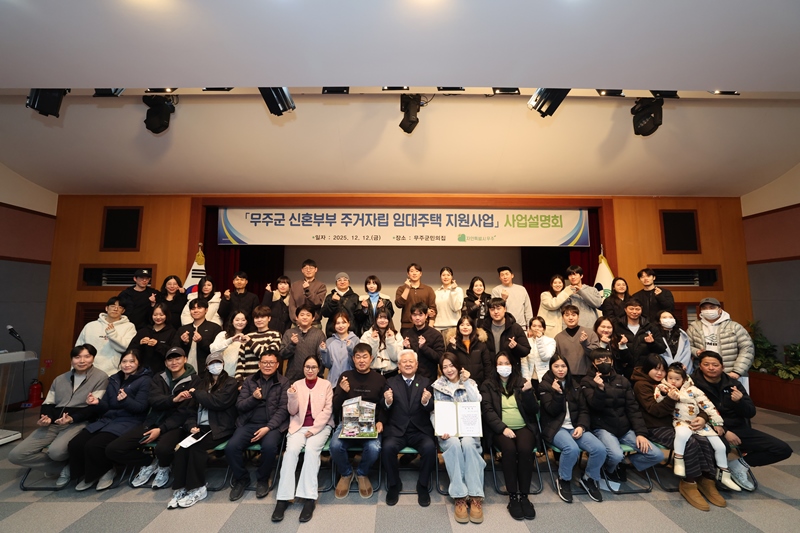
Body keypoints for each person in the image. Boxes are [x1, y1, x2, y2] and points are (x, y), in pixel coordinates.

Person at [631, 354, 722, 511]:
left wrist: (702, 417)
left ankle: (706, 479)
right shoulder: (642, 385)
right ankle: (689, 482)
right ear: (647, 369)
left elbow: (697, 403)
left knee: (704, 441)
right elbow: (654, 410)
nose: (659, 373)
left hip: (680, 425)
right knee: (690, 443)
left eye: (662, 370)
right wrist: (671, 398)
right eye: (655, 369)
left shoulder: (673, 382)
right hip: (655, 427)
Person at [8, 345, 109, 487]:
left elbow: (94, 407)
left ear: (93, 358)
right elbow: (48, 402)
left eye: (87, 357)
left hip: (79, 422)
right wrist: (46, 417)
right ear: (71, 359)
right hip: (54, 423)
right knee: (16, 455)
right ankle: (65, 468)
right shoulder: (60, 379)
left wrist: (72, 418)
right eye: (77, 357)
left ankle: (70, 467)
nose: (82, 361)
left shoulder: (101, 377)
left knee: (56, 452)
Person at [692, 351, 792, 491]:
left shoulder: (733, 384)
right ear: (700, 366)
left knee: (782, 449)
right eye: (706, 364)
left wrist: (739, 402)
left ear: (722, 366)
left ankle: (738, 466)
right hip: (708, 430)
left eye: (715, 365)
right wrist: (725, 431)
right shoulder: (692, 384)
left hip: (738, 429)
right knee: (722, 448)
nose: (711, 368)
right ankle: (715, 474)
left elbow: (750, 412)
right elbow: (691, 414)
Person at [106, 347, 198, 490]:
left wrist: (160, 430)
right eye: (170, 359)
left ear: (185, 359)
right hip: (153, 421)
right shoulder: (159, 377)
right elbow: (154, 401)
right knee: (114, 448)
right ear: (165, 362)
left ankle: (164, 466)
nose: (174, 362)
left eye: (177, 358)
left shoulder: (195, 380)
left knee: (163, 449)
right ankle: (149, 463)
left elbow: (185, 412)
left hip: (176, 425)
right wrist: (173, 400)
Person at [68, 348, 151, 491]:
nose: (127, 364)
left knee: (94, 445)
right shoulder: (114, 379)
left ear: (139, 363)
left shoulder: (145, 380)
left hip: (129, 421)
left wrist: (125, 400)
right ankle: (86, 475)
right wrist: (97, 402)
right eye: (124, 361)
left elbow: (141, 408)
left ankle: (106, 471)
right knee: (76, 443)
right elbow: (107, 405)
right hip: (108, 419)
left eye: (132, 361)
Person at [580, 349, 664, 483]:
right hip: (602, 428)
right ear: (594, 364)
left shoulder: (623, 380)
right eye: (599, 361)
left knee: (656, 455)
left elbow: (633, 409)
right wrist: (599, 389)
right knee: (616, 455)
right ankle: (608, 469)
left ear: (612, 361)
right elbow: (594, 406)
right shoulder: (587, 381)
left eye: (607, 360)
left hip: (624, 429)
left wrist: (640, 433)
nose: (604, 363)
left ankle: (623, 463)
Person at [167, 352, 238, 509]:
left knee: (196, 449)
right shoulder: (201, 384)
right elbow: (190, 410)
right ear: (206, 366)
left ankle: (197, 488)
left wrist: (196, 393)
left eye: (218, 362)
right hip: (200, 427)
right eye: (212, 363)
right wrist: (191, 425)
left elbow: (218, 402)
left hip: (220, 427)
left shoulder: (231, 383)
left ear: (223, 364)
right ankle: (180, 488)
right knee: (181, 449)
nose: (215, 366)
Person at [654, 363, 740, 491]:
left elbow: (707, 405)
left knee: (720, 446)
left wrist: (717, 422)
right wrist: (665, 394)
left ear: (684, 379)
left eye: (677, 379)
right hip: (681, 422)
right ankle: (679, 461)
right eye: (670, 378)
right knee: (682, 436)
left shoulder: (694, 390)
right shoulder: (664, 388)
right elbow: (658, 400)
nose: (673, 381)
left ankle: (724, 473)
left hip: (699, 423)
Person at [272, 355, 334, 523]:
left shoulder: (326, 385)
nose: (310, 370)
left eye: (313, 367)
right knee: (290, 453)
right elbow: (292, 412)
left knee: (312, 452)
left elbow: (328, 411)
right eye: (307, 367)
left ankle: (309, 499)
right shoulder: (296, 385)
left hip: (320, 427)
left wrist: (314, 429)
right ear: (303, 368)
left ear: (319, 369)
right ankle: (283, 498)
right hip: (298, 426)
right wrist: (291, 396)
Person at [538, 354, 605, 503]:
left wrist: (581, 426)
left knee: (599, 449)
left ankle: (588, 478)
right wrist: (557, 394)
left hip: (575, 426)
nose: (560, 370)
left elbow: (584, 410)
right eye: (556, 366)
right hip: (555, 428)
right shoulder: (544, 385)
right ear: (550, 368)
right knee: (572, 449)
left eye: (563, 366)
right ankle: (564, 479)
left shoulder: (575, 385)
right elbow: (551, 411)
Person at [480, 352, 538, 520]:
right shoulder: (488, 385)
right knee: (509, 451)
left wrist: (528, 393)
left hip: (523, 427)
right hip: (500, 429)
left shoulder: (522, 382)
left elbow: (534, 410)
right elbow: (487, 411)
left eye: (507, 363)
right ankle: (513, 497)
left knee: (525, 450)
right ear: (495, 366)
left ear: (512, 365)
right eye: (500, 363)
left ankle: (524, 496)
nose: (504, 366)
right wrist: (502, 428)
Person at [227, 351, 290, 501]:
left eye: (271, 362)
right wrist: (253, 398)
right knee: (231, 447)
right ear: (259, 364)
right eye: (265, 362)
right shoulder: (249, 381)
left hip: (271, 426)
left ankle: (263, 479)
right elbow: (240, 406)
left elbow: (284, 409)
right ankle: (242, 479)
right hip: (248, 424)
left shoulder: (284, 382)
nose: (268, 365)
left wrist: (268, 428)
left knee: (269, 447)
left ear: (277, 365)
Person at [432, 353, 485, 523]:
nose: (449, 370)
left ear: (458, 366)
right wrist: (440, 428)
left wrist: (467, 382)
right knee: (454, 444)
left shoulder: (470, 382)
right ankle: (460, 495)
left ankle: (475, 495)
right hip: (448, 432)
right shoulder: (437, 386)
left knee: (468, 443)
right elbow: (434, 412)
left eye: (451, 365)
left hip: (469, 429)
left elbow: (477, 401)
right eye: (444, 367)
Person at [331, 343, 387, 499]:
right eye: (358, 357)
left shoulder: (380, 379)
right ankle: (346, 473)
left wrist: (381, 421)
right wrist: (343, 392)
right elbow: (335, 406)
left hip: (370, 423)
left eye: (365, 357)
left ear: (371, 358)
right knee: (335, 446)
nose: (361, 360)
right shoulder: (345, 376)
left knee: (374, 448)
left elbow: (385, 405)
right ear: (353, 359)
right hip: (348, 423)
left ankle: (362, 473)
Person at [381, 349, 436, 507]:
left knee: (430, 448)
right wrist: (387, 401)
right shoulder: (390, 382)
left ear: (417, 364)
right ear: (399, 365)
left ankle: (423, 485)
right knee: (387, 448)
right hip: (397, 430)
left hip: (419, 430)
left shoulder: (425, 382)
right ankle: (394, 484)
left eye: (411, 361)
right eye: (404, 362)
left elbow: (431, 406)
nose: (408, 364)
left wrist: (426, 402)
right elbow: (383, 406)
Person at [687, 297, 754, 391]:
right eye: (704, 308)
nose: (708, 310)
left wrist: (737, 371)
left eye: (712, 307)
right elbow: (686, 347)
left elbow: (747, 349)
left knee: (736, 399)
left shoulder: (734, 327)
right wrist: (696, 351)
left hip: (731, 374)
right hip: (703, 376)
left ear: (720, 310)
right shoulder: (693, 327)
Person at [76, 296, 137, 376]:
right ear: (106, 308)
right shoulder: (90, 326)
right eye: (112, 306)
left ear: (123, 311)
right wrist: (75, 370)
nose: (115, 309)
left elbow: (127, 348)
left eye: (120, 307)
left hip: (114, 373)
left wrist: (112, 334)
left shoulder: (129, 326)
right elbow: (78, 349)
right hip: (89, 370)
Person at [614, 298, 666, 377]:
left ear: (641, 310)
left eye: (637, 309)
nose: (634, 312)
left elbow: (662, 349)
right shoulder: (617, 326)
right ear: (625, 309)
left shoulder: (650, 326)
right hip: (624, 370)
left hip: (645, 370)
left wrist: (652, 343)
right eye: (631, 309)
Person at [280, 304, 326, 382]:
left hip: (313, 378)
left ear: (313, 318)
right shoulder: (289, 333)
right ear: (297, 317)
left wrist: (319, 375)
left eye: (308, 315)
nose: (305, 317)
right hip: (292, 378)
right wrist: (292, 344)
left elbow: (322, 359)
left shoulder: (319, 334)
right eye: (302, 315)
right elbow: (282, 355)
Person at [400, 302, 445, 381]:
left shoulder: (435, 334)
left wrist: (424, 347)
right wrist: (407, 348)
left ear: (426, 315)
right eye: (414, 315)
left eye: (420, 315)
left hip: (429, 378)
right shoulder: (407, 333)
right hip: (411, 377)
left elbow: (440, 358)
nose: (417, 318)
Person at [174, 298, 223, 372]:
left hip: (206, 370)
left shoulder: (215, 328)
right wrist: (184, 343)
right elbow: (174, 350)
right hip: (184, 370)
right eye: (193, 309)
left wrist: (201, 341)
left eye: (199, 308)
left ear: (206, 310)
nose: (196, 311)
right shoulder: (183, 329)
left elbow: (216, 350)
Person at [235, 305, 281, 383]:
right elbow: (241, 361)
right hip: (248, 381)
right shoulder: (248, 336)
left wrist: (250, 342)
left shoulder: (275, 334)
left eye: (262, 317)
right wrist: (239, 381)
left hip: (268, 381)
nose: (259, 320)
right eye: (256, 317)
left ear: (269, 318)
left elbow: (267, 356)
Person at [553, 305, 599, 382]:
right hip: (567, 378)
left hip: (588, 377)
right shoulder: (558, 338)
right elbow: (555, 359)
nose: (570, 318)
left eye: (573, 315)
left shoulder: (590, 333)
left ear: (578, 317)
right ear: (562, 317)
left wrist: (585, 343)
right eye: (567, 315)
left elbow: (596, 355)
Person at [445, 315, 492, 387]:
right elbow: (448, 363)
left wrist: (487, 383)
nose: (465, 327)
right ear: (458, 328)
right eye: (462, 325)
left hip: (479, 384)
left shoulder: (481, 344)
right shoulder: (452, 344)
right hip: (460, 384)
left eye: (468, 325)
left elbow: (487, 365)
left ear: (473, 327)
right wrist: (453, 347)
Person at [128, 303, 176, 373]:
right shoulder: (143, 331)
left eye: (161, 315)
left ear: (167, 315)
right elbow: (130, 350)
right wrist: (140, 343)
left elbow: (173, 353)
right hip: (142, 371)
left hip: (163, 371)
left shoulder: (172, 332)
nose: (158, 317)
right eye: (155, 315)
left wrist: (158, 345)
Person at [485, 297, 531, 366]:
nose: (496, 312)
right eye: (492, 309)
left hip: (510, 368)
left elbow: (526, 350)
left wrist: (516, 346)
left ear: (505, 309)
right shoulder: (484, 328)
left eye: (498, 308)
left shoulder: (515, 327)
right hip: (490, 368)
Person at [320, 312, 359, 387]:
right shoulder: (329, 341)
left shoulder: (355, 340)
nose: (341, 326)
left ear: (348, 324)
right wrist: (324, 351)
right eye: (338, 323)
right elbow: (328, 365)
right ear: (334, 325)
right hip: (333, 383)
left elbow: (355, 364)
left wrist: (350, 349)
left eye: (344, 322)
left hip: (350, 382)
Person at [361, 309, 402, 378]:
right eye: (380, 318)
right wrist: (373, 341)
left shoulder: (396, 335)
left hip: (392, 374)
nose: (382, 320)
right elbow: (367, 357)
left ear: (389, 320)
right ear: (376, 319)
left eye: (385, 318)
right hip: (373, 373)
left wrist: (391, 340)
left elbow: (396, 358)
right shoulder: (367, 335)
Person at [395, 262, 437, 330]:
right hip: (407, 326)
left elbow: (433, 310)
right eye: (412, 271)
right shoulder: (402, 289)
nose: (414, 273)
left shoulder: (428, 289)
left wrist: (430, 327)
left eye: (417, 271)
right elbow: (399, 304)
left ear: (421, 274)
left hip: (424, 326)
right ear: (408, 274)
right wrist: (407, 288)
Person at [210, 311, 251, 378]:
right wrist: (231, 340)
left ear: (247, 322)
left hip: (243, 376)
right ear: (232, 321)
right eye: (237, 320)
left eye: (243, 320)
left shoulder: (249, 337)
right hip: (225, 376)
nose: (240, 322)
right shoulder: (223, 335)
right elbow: (213, 350)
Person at [289, 259, 327, 327]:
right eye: (306, 268)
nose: (308, 270)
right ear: (302, 270)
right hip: (297, 323)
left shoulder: (321, 286)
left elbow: (317, 302)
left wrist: (307, 290)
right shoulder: (295, 285)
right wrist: (296, 318)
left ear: (316, 269)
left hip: (314, 323)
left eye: (311, 268)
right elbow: (292, 305)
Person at [321, 272, 360, 337]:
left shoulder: (355, 297)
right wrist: (333, 302)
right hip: (332, 332)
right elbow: (325, 314)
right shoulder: (330, 297)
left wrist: (364, 309)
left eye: (345, 280)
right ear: (336, 283)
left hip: (351, 332)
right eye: (339, 280)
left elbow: (359, 317)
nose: (342, 282)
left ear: (349, 282)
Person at [564, 265, 603, 329]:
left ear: (581, 276)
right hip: (573, 327)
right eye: (570, 275)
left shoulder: (592, 289)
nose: (573, 277)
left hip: (591, 326)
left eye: (575, 274)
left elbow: (597, 304)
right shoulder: (565, 291)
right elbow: (564, 310)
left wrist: (580, 291)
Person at [521, 316, 556, 386]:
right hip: (529, 378)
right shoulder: (526, 341)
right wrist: (526, 379)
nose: (537, 328)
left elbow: (545, 357)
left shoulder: (550, 341)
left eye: (540, 326)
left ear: (544, 329)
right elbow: (524, 362)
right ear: (530, 328)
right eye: (534, 326)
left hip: (545, 378)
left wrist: (539, 339)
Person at [434, 267, 464, 333]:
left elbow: (456, 307)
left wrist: (453, 291)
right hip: (438, 327)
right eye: (443, 275)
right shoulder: (436, 292)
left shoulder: (458, 290)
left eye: (448, 275)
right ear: (440, 277)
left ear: (452, 277)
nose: (446, 277)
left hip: (453, 327)